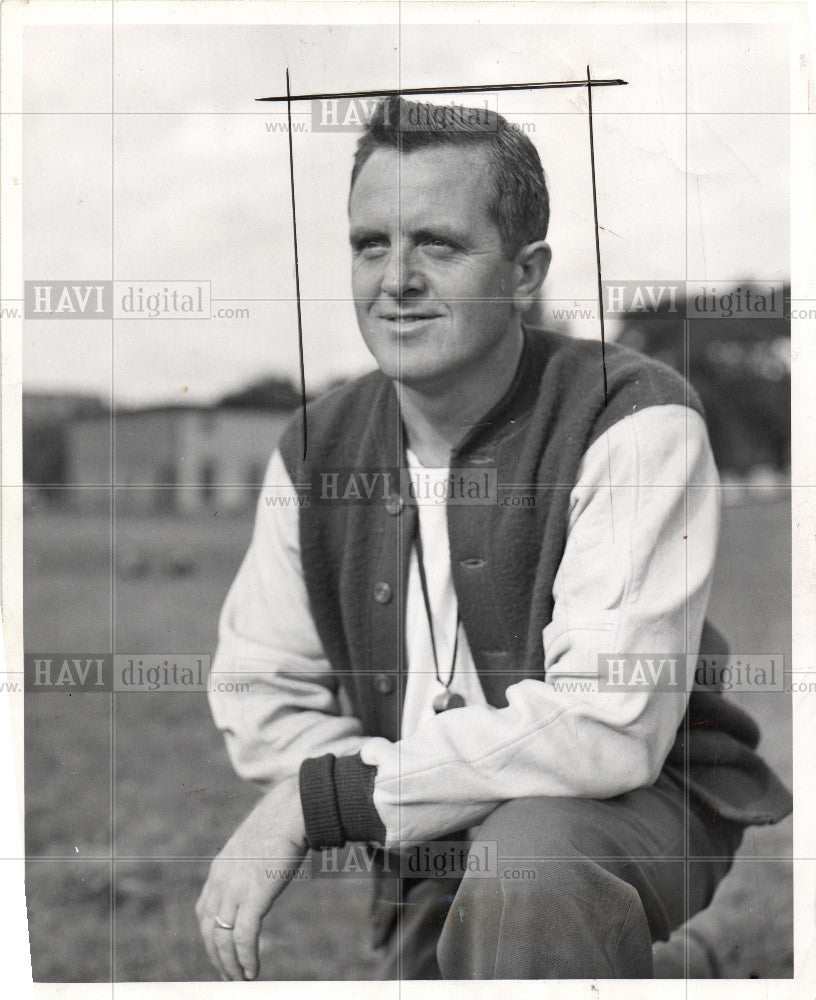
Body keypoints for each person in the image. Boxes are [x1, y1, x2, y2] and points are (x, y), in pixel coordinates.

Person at [196, 96, 791, 981]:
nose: (394, 278)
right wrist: (412, 793)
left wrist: (334, 798)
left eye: (437, 244)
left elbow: (608, 725)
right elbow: (259, 692)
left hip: (633, 801)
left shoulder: (633, 417)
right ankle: (681, 975)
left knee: (534, 876)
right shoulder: (317, 446)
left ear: (524, 273)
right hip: (420, 835)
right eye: (370, 244)